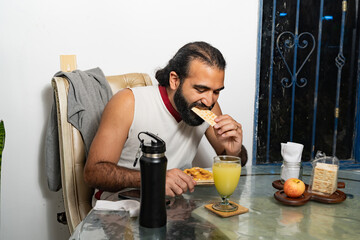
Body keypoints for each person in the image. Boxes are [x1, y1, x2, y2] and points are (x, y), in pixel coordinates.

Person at [84, 41, 248, 203]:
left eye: (216, 92)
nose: (209, 100)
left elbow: (231, 159)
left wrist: (234, 152)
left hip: (176, 205)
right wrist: (153, 178)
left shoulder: (209, 107)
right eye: (200, 89)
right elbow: (94, 172)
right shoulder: (128, 102)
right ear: (175, 80)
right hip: (119, 206)